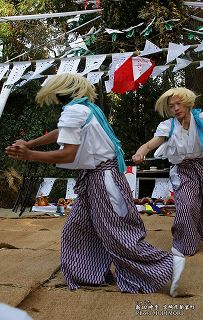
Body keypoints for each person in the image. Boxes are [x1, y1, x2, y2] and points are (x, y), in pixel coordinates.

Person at [6, 73, 177, 296]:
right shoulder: (84, 109)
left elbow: (68, 154)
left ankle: (165, 268)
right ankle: (89, 275)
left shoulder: (74, 111)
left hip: (103, 180)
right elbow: (63, 133)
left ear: (60, 91)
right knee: (77, 229)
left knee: (118, 234)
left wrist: (29, 154)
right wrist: (30, 143)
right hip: (95, 178)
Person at [132, 87, 203, 296]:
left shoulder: (201, 118)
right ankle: (184, 243)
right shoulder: (167, 126)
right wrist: (141, 151)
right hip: (182, 170)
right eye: (171, 106)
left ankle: (202, 232)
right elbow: (152, 143)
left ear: (188, 102)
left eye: (178, 104)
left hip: (201, 166)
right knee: (187, 204)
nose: (175, 109)